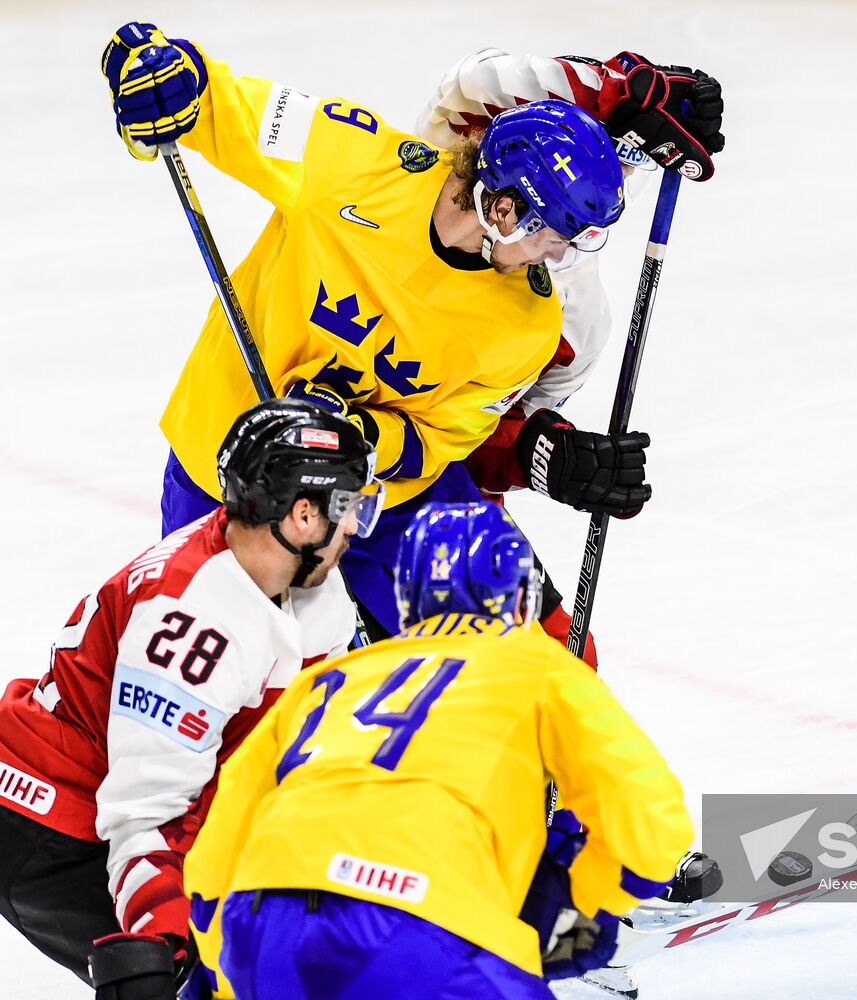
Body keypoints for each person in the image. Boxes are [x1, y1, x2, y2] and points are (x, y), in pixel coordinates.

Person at [99, 22, 643, 640]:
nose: (557, 257)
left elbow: (439, 441)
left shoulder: (528, 324)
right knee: (238, 676)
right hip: (229, 473)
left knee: (534, 652)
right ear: (504, 208)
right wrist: (170, 86)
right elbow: (221, 107)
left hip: (383, 499)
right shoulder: (351, 158)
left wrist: (352, 434)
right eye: (553, 236)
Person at [183, 502, 693, 999]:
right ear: (522, 600)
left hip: (265, 925)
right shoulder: (538, 666)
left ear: (406, 598)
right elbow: (651, 828)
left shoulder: (324, 681)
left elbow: (213, 860)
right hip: (422, 931)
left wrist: (224, 973)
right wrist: (580, 900)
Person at [0, 398, 382, 997]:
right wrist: (163, 940)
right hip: (56, 823)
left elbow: (316, 747)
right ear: (303, 514)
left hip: (148, 797)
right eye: (349, 505)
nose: (358, 525)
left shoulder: (309, 585)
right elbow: (144, 815)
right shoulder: (192, 620)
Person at [414, 49, 725, 665]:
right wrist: (617, 91)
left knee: (551, 672)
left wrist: (548, 457)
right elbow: (477, 83)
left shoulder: (575, 327)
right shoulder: (457, 167)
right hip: (301, 437)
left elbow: (469, 444)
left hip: (407, 479)